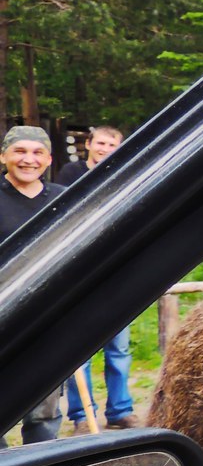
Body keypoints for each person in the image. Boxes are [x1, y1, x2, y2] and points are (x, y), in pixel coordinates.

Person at [57, 125, 140, 432]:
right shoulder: (71, 174)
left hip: (115, 272)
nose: (106, 148)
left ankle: (120, 410)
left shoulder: (125, 175)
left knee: (118, 347)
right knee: (80, 350)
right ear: (89, 144)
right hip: (78, 272)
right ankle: (81, 414)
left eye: (112, 144)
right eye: (101, 143)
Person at [0, 126, 67, 448]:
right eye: (20, 151)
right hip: (2, 314)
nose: (29, 160)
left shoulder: (63, 199)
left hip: (47, 317)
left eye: (38, 152)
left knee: (44, 407)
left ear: (49, 159)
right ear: (4, 156)